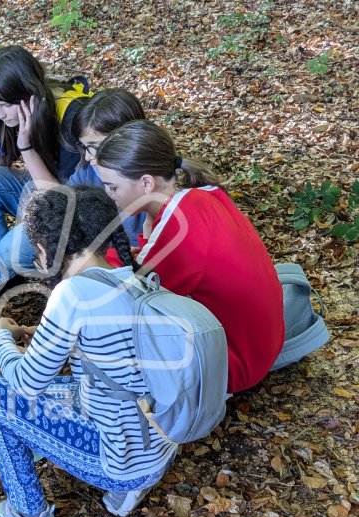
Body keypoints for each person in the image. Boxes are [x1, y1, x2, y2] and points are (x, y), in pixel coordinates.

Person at [0, 186, 179, 517]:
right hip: (157, 442)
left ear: (44, 249)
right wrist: (43, 335)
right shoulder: (132, 279)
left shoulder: (72, 294)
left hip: (119, 459)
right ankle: (134, 483)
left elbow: (26, 384)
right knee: (75, 387)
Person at [94, 119, 284, 393]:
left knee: (111, 326)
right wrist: (148, 230)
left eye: (113, 187)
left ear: (146, 182)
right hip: (261, 345)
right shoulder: (203, 196)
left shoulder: (178, 227)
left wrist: (96, 258)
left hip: (236, 365)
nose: (109, 194)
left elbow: (125, 293)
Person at [0, 45, 92, 305]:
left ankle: (37, 272)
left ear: (28, 94)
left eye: (3, 105)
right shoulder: (13, 112)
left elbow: (61, 198)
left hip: (74, 209)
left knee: (8, 250)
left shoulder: (70, 114)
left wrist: (27, 147)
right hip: (39, 188)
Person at [0, 88, 149, 274]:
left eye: (94, 147)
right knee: (10, 249)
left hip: (116, 268)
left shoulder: (143, 183)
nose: (87, 156)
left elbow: (137, 254)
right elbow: (61, 204)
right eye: (83, 147)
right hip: (93, 254)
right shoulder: (88, 169)